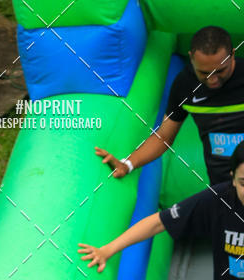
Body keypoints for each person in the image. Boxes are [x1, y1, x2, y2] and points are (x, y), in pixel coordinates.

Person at [78, 141, 244, 280]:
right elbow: (158, 222)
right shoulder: (219, 200)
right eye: (243, 183)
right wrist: (108, 250)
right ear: (232, 177)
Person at [96, 26, 244, 186]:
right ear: (192, 58)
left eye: (220, 71)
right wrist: (127, 164)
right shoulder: (185, 84)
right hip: (224, 187)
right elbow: (164, 137)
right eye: (204, 73)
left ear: (233, 55)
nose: (212, 80)